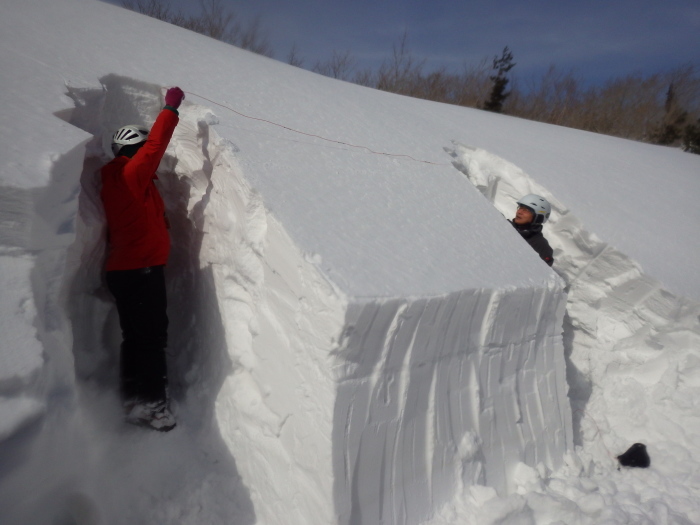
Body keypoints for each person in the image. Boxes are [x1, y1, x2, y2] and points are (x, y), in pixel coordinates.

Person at [101, 87, 185, 431]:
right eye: (137, 150)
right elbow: (153, 149)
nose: (144, 156)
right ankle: (153, 406)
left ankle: (134, 399)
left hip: (131, 269)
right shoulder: (127, 175)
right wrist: (170, 109)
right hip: (139, 271)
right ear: (128, 151)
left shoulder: (133, 184)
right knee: (151, 338)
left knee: (136, 337)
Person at [509, 194, 554, 266]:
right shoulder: (504, 225)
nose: (519, 212)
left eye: (526, 210)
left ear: (538, 217)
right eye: (520, 208)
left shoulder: (540, 245)